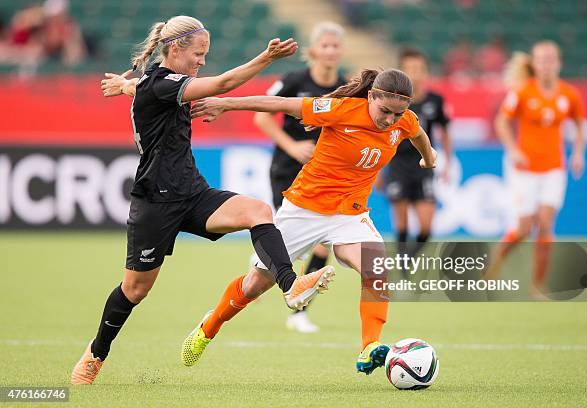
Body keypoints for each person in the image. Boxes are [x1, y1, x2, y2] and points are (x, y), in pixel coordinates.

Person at [70, 15, 335, 385]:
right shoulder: (161, 85)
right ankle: (96, 353)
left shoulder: (156, 83)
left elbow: (145, 88)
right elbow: (223, 83)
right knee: (135, 290)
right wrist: (266, 58)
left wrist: (124, 85)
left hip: (193, 193)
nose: (202, 61)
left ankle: (291, 286)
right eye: (198, 53)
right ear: (175, 49)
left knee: (258, 210)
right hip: (154, 204)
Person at [187, 68, 437, 375]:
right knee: (254, 285)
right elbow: (280, 105)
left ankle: (369, 346)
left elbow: (418, 135)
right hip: (303, 210)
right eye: (384, 111)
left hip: (350, 213)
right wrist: (227, 104)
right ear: (371, 97)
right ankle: (208, 327)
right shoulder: (340, 110)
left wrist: (429, 156)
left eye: (397, 114)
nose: (389, 120)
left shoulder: (405, 120)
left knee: (376, 268)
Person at [253, 21, 347, 333]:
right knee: (286, 240)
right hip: (287, 170)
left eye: (336, 46)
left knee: (321, 246)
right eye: (326, 45)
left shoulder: (346, 88)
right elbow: (261, 115)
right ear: (313, 51)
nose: (331, 51)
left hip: (324, 178)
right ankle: (260, 273)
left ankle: (298, 312)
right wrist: (291, 145)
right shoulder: (294, 80)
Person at [486, 41, 585, 298]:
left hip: (554, 169)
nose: (547, 64)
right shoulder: (522, 92)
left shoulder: (569, 94)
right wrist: (513, 149)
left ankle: (537, 286)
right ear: (535, 64)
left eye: (551, 59)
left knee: (544, 224)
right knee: (522, 229)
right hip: (525, 170)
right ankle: (490, 270)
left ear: (559, 63)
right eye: (541, 59)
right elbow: (502, 122)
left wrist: (578, 153)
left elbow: (579, 125)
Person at [382, 48, 451, 259]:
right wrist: (378, 170)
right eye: (410, 69)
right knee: (401, 225)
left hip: (424, 165)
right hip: (397, 166)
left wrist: (447, 161)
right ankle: (402, 271)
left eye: (420, 69)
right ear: (401, 73)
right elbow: (381, 135)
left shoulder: (435, 101)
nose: (415, 73)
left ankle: (409, 259)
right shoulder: (391, 102)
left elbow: (445, 131)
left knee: (426, 228)